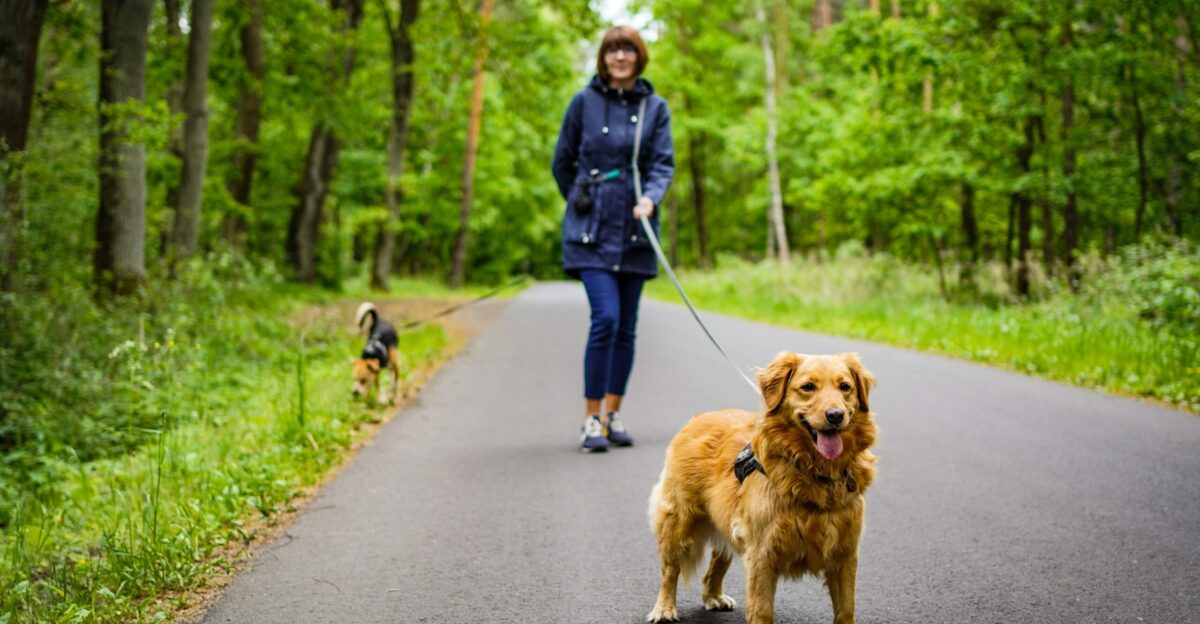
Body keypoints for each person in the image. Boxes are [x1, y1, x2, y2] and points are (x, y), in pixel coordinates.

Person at [551, 26, 675, 453]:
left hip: (637, 230)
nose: (620, 56)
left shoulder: (654, 107)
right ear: (603, 58)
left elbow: (662, 164)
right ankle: (590, 419)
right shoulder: (583, 103)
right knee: (605, 319)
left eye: (628, 50)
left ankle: (612, 414)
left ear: (638, 57)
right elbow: (561, 162)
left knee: (626, 327)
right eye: (612, 50)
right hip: (591, 233)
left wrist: (651, 199)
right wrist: (582, 197)